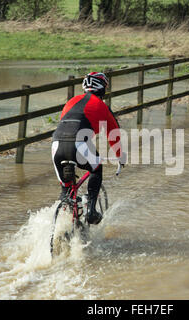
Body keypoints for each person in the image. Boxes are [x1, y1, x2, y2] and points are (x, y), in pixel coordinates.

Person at [51, 72, 125, 225]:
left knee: (66, 192)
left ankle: (65, 218)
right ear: (103, 89)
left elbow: (65, 123)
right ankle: (91, 210)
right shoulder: (102, 106)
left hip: (56, 145)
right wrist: (120, 157)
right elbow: (114, 135)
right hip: (79, 144)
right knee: (96, 167)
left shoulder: (70, 102)